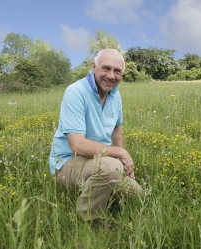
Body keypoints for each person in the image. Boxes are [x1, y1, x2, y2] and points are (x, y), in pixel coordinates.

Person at [49, 48, 143, 221]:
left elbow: (116, 128)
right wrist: (120, 154)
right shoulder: (76, 93)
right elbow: (77, 145)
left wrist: (122, 162)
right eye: (105, 68)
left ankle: (104, 188)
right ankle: (89, 219)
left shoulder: (115, 95)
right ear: (94, 67)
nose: (111, 75)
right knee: (110, 168)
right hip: (67, 162)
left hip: (100, 159)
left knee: (138, 196)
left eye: (117, 71)